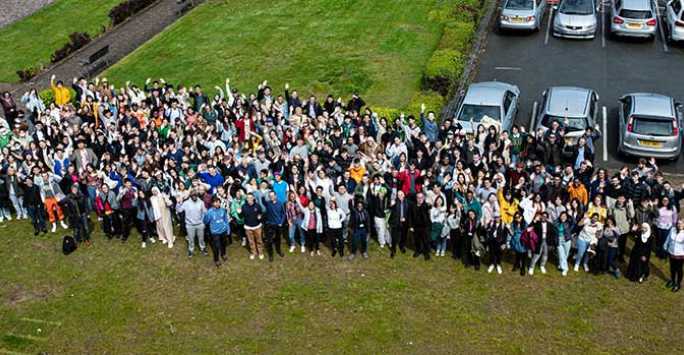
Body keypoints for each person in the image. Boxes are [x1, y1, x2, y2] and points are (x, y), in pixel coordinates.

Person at [177, 191, 208, 257]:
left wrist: (203, 221)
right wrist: (179, 203)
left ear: (197, 196)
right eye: (193, 195)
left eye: (195, 195)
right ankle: (191, 250)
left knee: (201, 238)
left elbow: (205, 212)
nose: (194, 196)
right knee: (191, 239)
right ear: (190, 196)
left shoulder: (201, 202)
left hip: (200, 224)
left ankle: (202, 248)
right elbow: (179, 210)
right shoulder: (186, 203)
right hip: (190, 225)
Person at [203, 196, 231, 267]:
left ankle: (223, 254)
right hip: (215, 232)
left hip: (223, 231)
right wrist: (208, 219)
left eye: (218, 202)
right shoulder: (209, 212)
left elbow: (226, 220)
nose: (217, 203)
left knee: (224, 244)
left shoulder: (223, 210)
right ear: (212, 203)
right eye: (215, 202)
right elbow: (205, 221)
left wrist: (228, 229)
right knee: (216, 246)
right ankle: (216, 259)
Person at [263, 191, 286, 261]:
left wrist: (281, 222)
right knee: (269, 241)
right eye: (270, 196)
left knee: (278, 239)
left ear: (275, 196)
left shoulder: (280, 203)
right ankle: (271, 255)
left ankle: (279, 251)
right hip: (270, 224)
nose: (271, 197)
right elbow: (262, 198)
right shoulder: (267, 204)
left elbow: (283, 214)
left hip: (278, 224)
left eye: (273, 195)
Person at [241, 193, 264, 260]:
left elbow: (260, 213)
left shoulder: (257, 206)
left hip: (257, 226)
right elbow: (242, 216)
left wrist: (260, 216)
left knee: (259, 240)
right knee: (251, 241)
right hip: (248, 227)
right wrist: (239, 213)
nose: (249, 199)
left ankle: (260, 252)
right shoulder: (244, 206)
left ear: (253, 198)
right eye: (248, 198)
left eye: (251, 197)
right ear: (246, 199)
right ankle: (253, 252)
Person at [388, 190, 410, 258]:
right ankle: (393, 250)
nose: (399, 196)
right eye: (398, 195)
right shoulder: (395, 202)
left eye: (401, 194)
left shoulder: (408, 202)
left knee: (403, 236)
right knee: (394, 237)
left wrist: (405, 219)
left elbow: (409, 213)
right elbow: (390, 207)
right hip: (396, 223)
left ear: (404, 195)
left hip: (404, 223)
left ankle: (402, 246)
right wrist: (391, 205)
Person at [409, 192, 431, 260]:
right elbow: (410, 217)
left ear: (424, 198)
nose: (420, 199)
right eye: (418, 197)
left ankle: (426, 253)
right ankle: (418, 251)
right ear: (416, 198)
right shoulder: (413, 206)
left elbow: (430, 207)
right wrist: (411, 226)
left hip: (425, 226)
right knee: (417, 240)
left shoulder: (426, 206)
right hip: (416, 226)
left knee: (426, 240)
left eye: (421, 197)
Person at [665, 220, 684, 292]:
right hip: (671, 253)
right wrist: (665, 245)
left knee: (679, 269)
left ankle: (678, 284)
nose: (679, 225)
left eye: (681, 224)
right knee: (672, 268)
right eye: (678, 223)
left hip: (680, 255)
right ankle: (672, 281)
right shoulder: (672, 230)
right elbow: (668, 238)